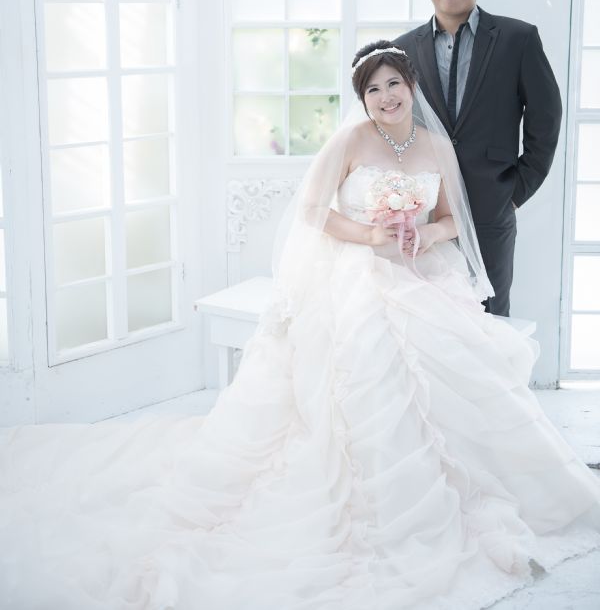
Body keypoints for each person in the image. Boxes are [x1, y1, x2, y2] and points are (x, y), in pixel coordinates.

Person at [0, 44, 598, 610]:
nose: (386, 96)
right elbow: (312, 211)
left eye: (394, 84)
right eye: (373, 89)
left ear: (412, 86)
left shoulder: (436, 147)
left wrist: (424, 233)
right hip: (359, 273)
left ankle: (465, 487)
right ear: (361, 98)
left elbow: (451, 219)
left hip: (422, 273)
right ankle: (372, 496)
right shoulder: (350, 140)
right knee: (369, 361)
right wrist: (369, 232)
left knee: (457, 368)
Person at [394, 0, 562, 316]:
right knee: (428, 317)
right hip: (425, 212)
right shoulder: (403, 49)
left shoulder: (518, 38)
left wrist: (515, 193)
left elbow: (546, 118)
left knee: (490, 316)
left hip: (491, 207)